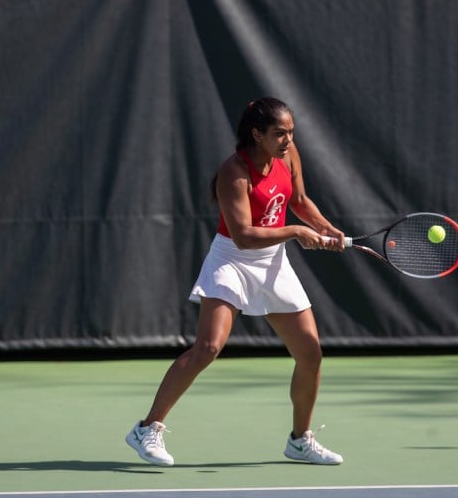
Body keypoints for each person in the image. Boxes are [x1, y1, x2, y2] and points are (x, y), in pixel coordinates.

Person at [125, 97, 346, 466]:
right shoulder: (233, 173)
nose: (288, 140)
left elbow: (301, 199)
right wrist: (294, 231)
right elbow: (243, 235)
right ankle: (147, 428)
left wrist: (324, 228)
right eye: (279, 134)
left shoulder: (289, 156)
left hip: (273, 261)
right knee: (207, 348)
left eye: (291, 133)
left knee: (310, 352)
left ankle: (299, 441)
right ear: (257, 134)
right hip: (232, 260)